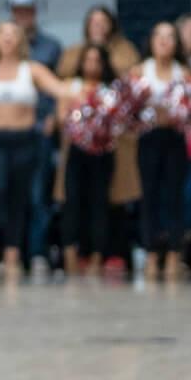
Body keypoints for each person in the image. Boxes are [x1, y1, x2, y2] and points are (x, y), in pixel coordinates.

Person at [0, 22, 74, 280]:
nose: (7, 39)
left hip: (25, 141)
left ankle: (11, 256)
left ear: (21, 42)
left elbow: (62, 90)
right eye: (3, 35)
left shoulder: (33, 70)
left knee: (19, 198)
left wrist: (75, 100)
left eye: (13, 35)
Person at [132, 21, 191, 280]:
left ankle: (173, 252)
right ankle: (150, 252)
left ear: (176, 43)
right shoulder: (140, 70)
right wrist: (151, 116)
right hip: (149, 138)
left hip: (175, 139)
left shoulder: (183, 72)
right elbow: (125, 108)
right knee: (148, 195)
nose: (164, 41)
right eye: (158, 36)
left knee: (174, 196)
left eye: (170, 36)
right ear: (151, 41)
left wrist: (179, 113)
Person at [7, 0, 62, 268]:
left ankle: (37, 251)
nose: (22, 16)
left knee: (38, 193)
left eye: (26, 10)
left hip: (39, 129)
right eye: (17, 11)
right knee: (8, 193)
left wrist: (53, 115)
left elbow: (59, 87)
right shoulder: (2, 51)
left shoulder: (50, 47)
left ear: (35, 12)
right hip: (8, 132)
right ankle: (11, 252)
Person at [58, 43, 117, 276]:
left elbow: (118, 122)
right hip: (76, 150)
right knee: (72, 202)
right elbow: (61, 117)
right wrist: (79, 106)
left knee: (99, 203)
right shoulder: (70, 87)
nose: (92, 64)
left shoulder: (110, 90)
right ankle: (70, 254)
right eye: (88, 59)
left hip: (103, 152)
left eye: (97, 60)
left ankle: (96, 256)